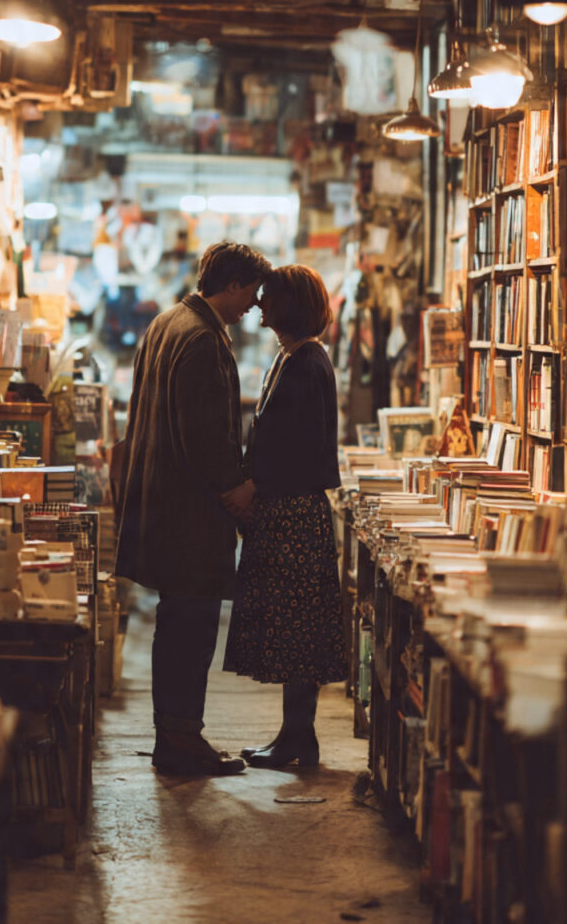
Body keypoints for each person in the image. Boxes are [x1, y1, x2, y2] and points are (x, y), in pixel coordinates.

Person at [116, 241, 272, 776]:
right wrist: (237, 493)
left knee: (174, 624)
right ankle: (182, 740)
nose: (255, 304)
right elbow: (205, 436)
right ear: (230, 285)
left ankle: (173, 735)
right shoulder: (203, 339)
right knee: (192, 627)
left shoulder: (167, 322)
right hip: (189, 514)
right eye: (251, 292)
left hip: (161, 504)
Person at [223, 264, 346, 768]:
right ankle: (295, 737)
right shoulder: (293, 357)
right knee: (293, 631)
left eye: (269, 297)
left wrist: (257, 485)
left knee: (297, 633)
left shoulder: (306, 363)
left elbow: (300, 449)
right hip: (288, 513)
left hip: (294, 514)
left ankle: (299, 740)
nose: (260, 304)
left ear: (289, 305)